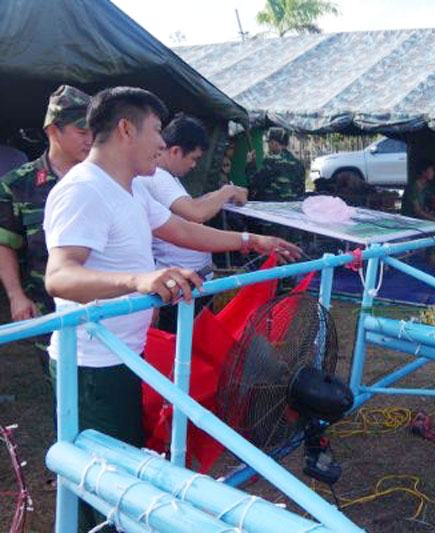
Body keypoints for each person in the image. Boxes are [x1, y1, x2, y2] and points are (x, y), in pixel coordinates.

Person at [43, 87, 301, 530]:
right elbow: (59, 276)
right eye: (158, 131)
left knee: (123, 470)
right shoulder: (83, 190)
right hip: (91, 366)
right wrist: (138, 281)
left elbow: (180, 229)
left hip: (125, 355)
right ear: (126, 129)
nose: (163, 144)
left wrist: (250, 241)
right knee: (100, 483)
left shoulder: (130, 189)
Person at [138, 113, 248, 331]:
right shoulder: (158, 177)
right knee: (181, 346)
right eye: (193, 158)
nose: (194, 165)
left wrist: (220, 194)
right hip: (180, 285)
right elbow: (195, 213)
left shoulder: (169, 177)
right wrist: (226, 191)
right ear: (176, 150)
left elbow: (188, 206)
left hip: (188, 281)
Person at [0, 85, 92, 324]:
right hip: (48, 309)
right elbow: (5, 243)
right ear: (54, 131)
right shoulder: (19, 184)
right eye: (82, 132)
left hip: (102, 304)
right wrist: (16, 295)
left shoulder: (104, 178)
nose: (90, 140)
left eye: (94, 132)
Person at [248, 126, 305, 201]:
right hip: (292, 208)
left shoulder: (270, 161)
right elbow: (301, 190)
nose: (269, 145)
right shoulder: (299, 164)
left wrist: (250, 164)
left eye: (269, 142)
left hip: (273, 209)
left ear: (274, 142)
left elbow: (254, 184)